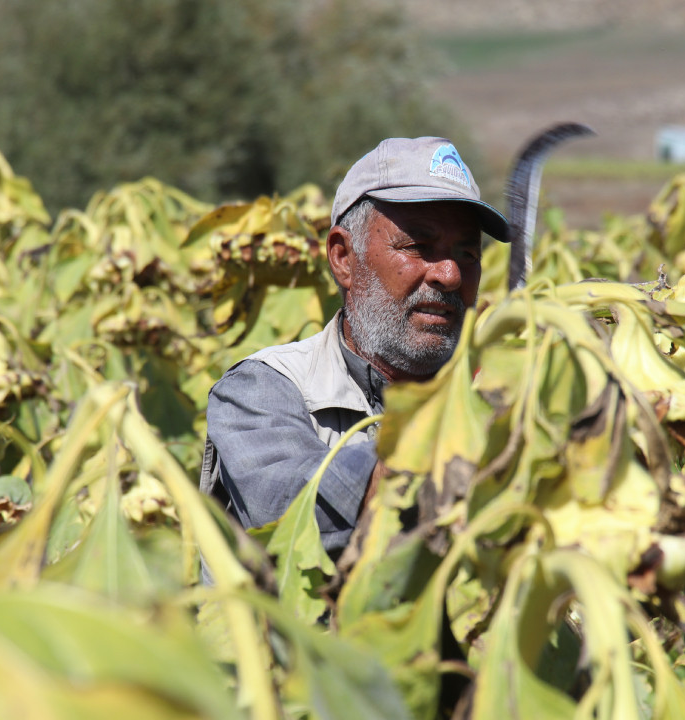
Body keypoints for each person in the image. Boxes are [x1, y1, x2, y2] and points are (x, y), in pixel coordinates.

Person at [198, 136, 510, 564]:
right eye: (419, 246)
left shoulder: (500, 391)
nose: (451, 274)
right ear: (344, 257)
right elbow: (289, 511)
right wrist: (459, 433)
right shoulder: (261, 388)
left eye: (467, 252)